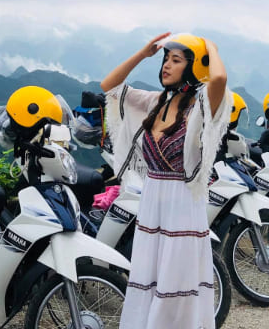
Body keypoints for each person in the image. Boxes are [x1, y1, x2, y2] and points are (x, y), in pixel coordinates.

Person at [100, 32, 229, 329]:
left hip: (183, 205)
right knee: (149, 278)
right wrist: (142, 54)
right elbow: (109, 86)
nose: (166, 66)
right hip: (152, 202)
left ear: (195, 67)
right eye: (165, 60)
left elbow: (219, 79)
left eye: (176, 60)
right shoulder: (155, 102)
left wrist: (209, 46)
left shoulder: (201, 106)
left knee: (176, 282)